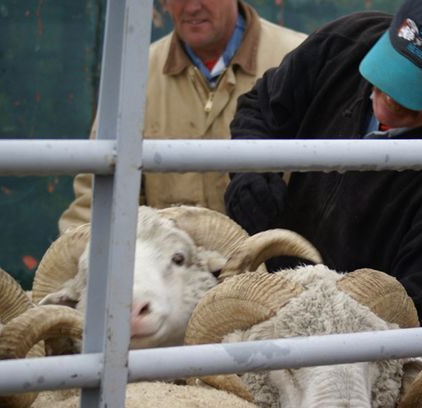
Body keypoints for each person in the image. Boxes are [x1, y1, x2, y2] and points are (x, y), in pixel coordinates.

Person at [224, 0, 422, 328]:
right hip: (279, 291)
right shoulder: (346, 42)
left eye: (414, 87)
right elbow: (261, 107)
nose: (387, 95)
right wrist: (252, 172)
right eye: (389, 68)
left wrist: (316, 327)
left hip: (349, 335)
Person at [58, 0, 306, 233]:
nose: (192, 7)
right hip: (165, 275)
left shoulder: (299, 60)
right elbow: (95, 204)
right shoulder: (134, 73)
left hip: (274, 274)